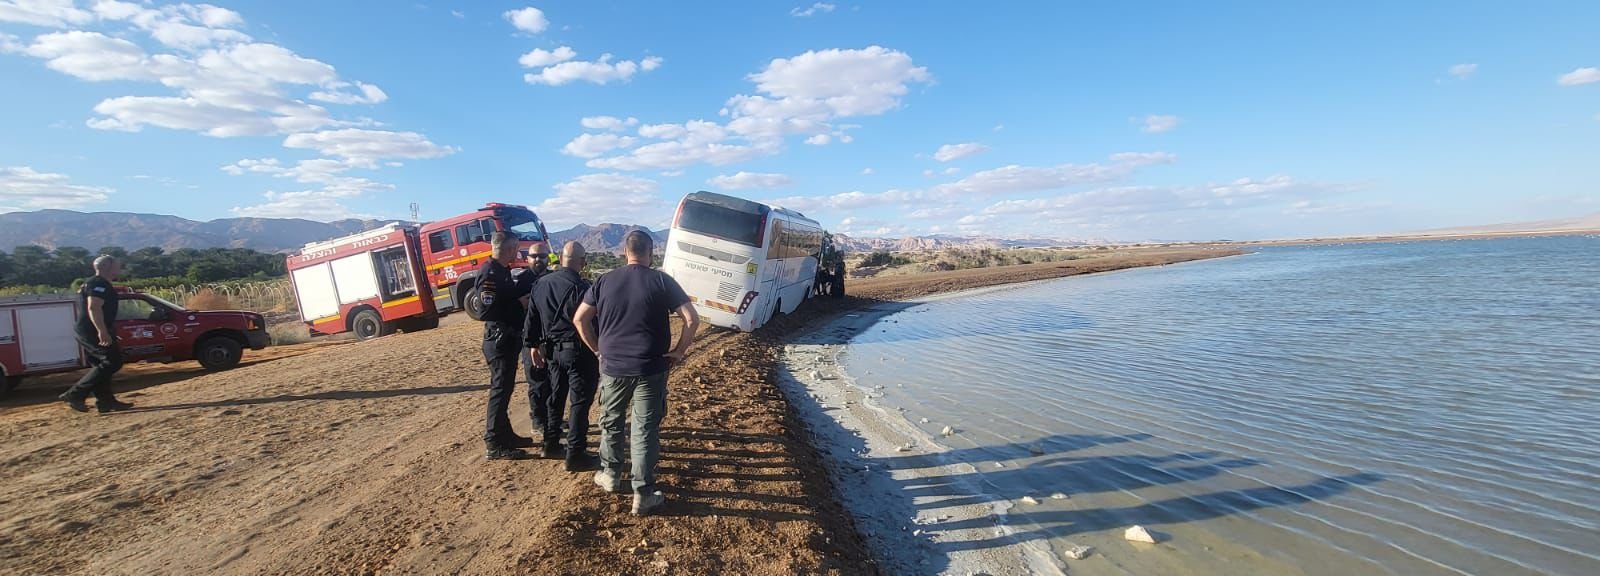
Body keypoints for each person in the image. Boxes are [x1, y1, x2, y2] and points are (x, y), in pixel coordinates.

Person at [574, 230, 700, 516]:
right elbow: (691, 319)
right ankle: (642, 492)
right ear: (651, 252)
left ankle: (610, 475)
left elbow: (580, 318)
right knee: (644, 430)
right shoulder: (662, 281)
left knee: (612, 422)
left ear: (624, 251)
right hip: (650, 368)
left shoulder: (604, 281)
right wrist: (679, 352)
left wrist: (597, 349)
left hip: (613, 367)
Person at [525, 241, 600, 470]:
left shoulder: (541, 284)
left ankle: (550, 444)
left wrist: (532, 345)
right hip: (578, 352)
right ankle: (576, 453)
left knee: (555, 397)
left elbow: (532, 317)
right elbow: (592, 321)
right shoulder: (583, 287)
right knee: (579, 401)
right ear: (582, 262)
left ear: (560, 257)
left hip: (552, 351)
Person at [479, 232, 536, 460]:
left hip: (507, 338)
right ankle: (494, 442)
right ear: (510, 249)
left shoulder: (502, 271)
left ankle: (505, 434)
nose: (518, 252)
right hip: (498, 340)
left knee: (506, 389)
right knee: (499, 391)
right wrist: (518, 303)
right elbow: (485, 311)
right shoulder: (490, 273)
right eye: (516, 248)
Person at [59, 255, 134, 414]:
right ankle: (75, 394)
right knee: (112, 362)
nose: (119, 268)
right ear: (108, 267)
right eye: (117, 265)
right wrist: (102, 331)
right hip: (92, 330)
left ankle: (105, 402)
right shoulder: (98, 283)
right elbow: (94, 308)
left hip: (91, 329)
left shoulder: (97, 283)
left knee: (100, 364)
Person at [519, 242, 556, 451]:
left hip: (550, 337)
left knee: (553, 380)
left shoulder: (552, 279)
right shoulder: (522, 282)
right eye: (534, 256)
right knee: (536, 381)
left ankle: (553, 418)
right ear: (527, 259)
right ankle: (538, 421)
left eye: (543, 256)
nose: (538, 259)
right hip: (531, 339)